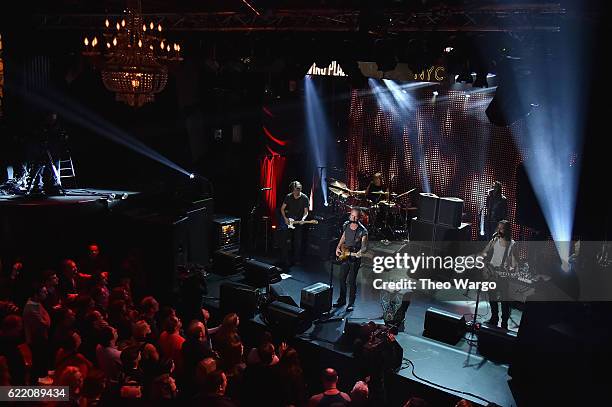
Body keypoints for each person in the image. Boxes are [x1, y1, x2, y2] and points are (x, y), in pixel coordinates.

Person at [480, 220, 518, 330]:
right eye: (499, 228)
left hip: (502, 275)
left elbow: (514, 262)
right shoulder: (494, 239)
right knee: (492, 297)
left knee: (504, 300)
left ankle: (504, 322)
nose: (499, 230)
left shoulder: (512, 244)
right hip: (491, 272)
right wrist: (484, 266)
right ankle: (494, 318)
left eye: (502, 228)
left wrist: (512, 268)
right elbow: (485, 252)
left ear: (507, 230)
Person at [334, 208, 368, 312]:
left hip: (354, 258)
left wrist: (358, 253)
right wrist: (338, 247)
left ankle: (351, 303)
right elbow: (343, 237)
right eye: (351, 215)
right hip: (345, 256)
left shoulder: (363, 231)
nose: (352, 217)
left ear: (359, 218)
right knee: (341, 278)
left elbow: (364, 248)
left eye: (355, 216)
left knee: (351, 281)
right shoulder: (346, 225)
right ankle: (342, 299)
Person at [280, 181, 309, 266]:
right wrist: (285, 218)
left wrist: (303, 219)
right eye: (296, 190)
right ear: (293, 190)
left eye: (299, 190)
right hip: (289, 221)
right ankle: (284, 259)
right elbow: (282, 209)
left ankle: (296, 260)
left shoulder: (304, 198)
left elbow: (306, 212)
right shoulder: (288, 197)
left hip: (298, 221)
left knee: (298, 241)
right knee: (285, 240)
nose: (297, 192)